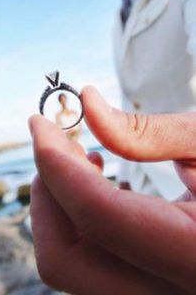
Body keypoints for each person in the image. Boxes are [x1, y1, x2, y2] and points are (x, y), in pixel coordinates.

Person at [29, 86, 196, 295]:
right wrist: (125, 180)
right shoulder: (61, 116)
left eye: (64, 100)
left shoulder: (72, 114)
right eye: (61, 100)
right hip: (134, 174)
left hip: (179, 176)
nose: (63, 103)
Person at [89, 0, 196, 199]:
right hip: (141, 189)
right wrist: (125, 180)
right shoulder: (118, 18)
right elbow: (131, 100)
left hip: (186, 184)